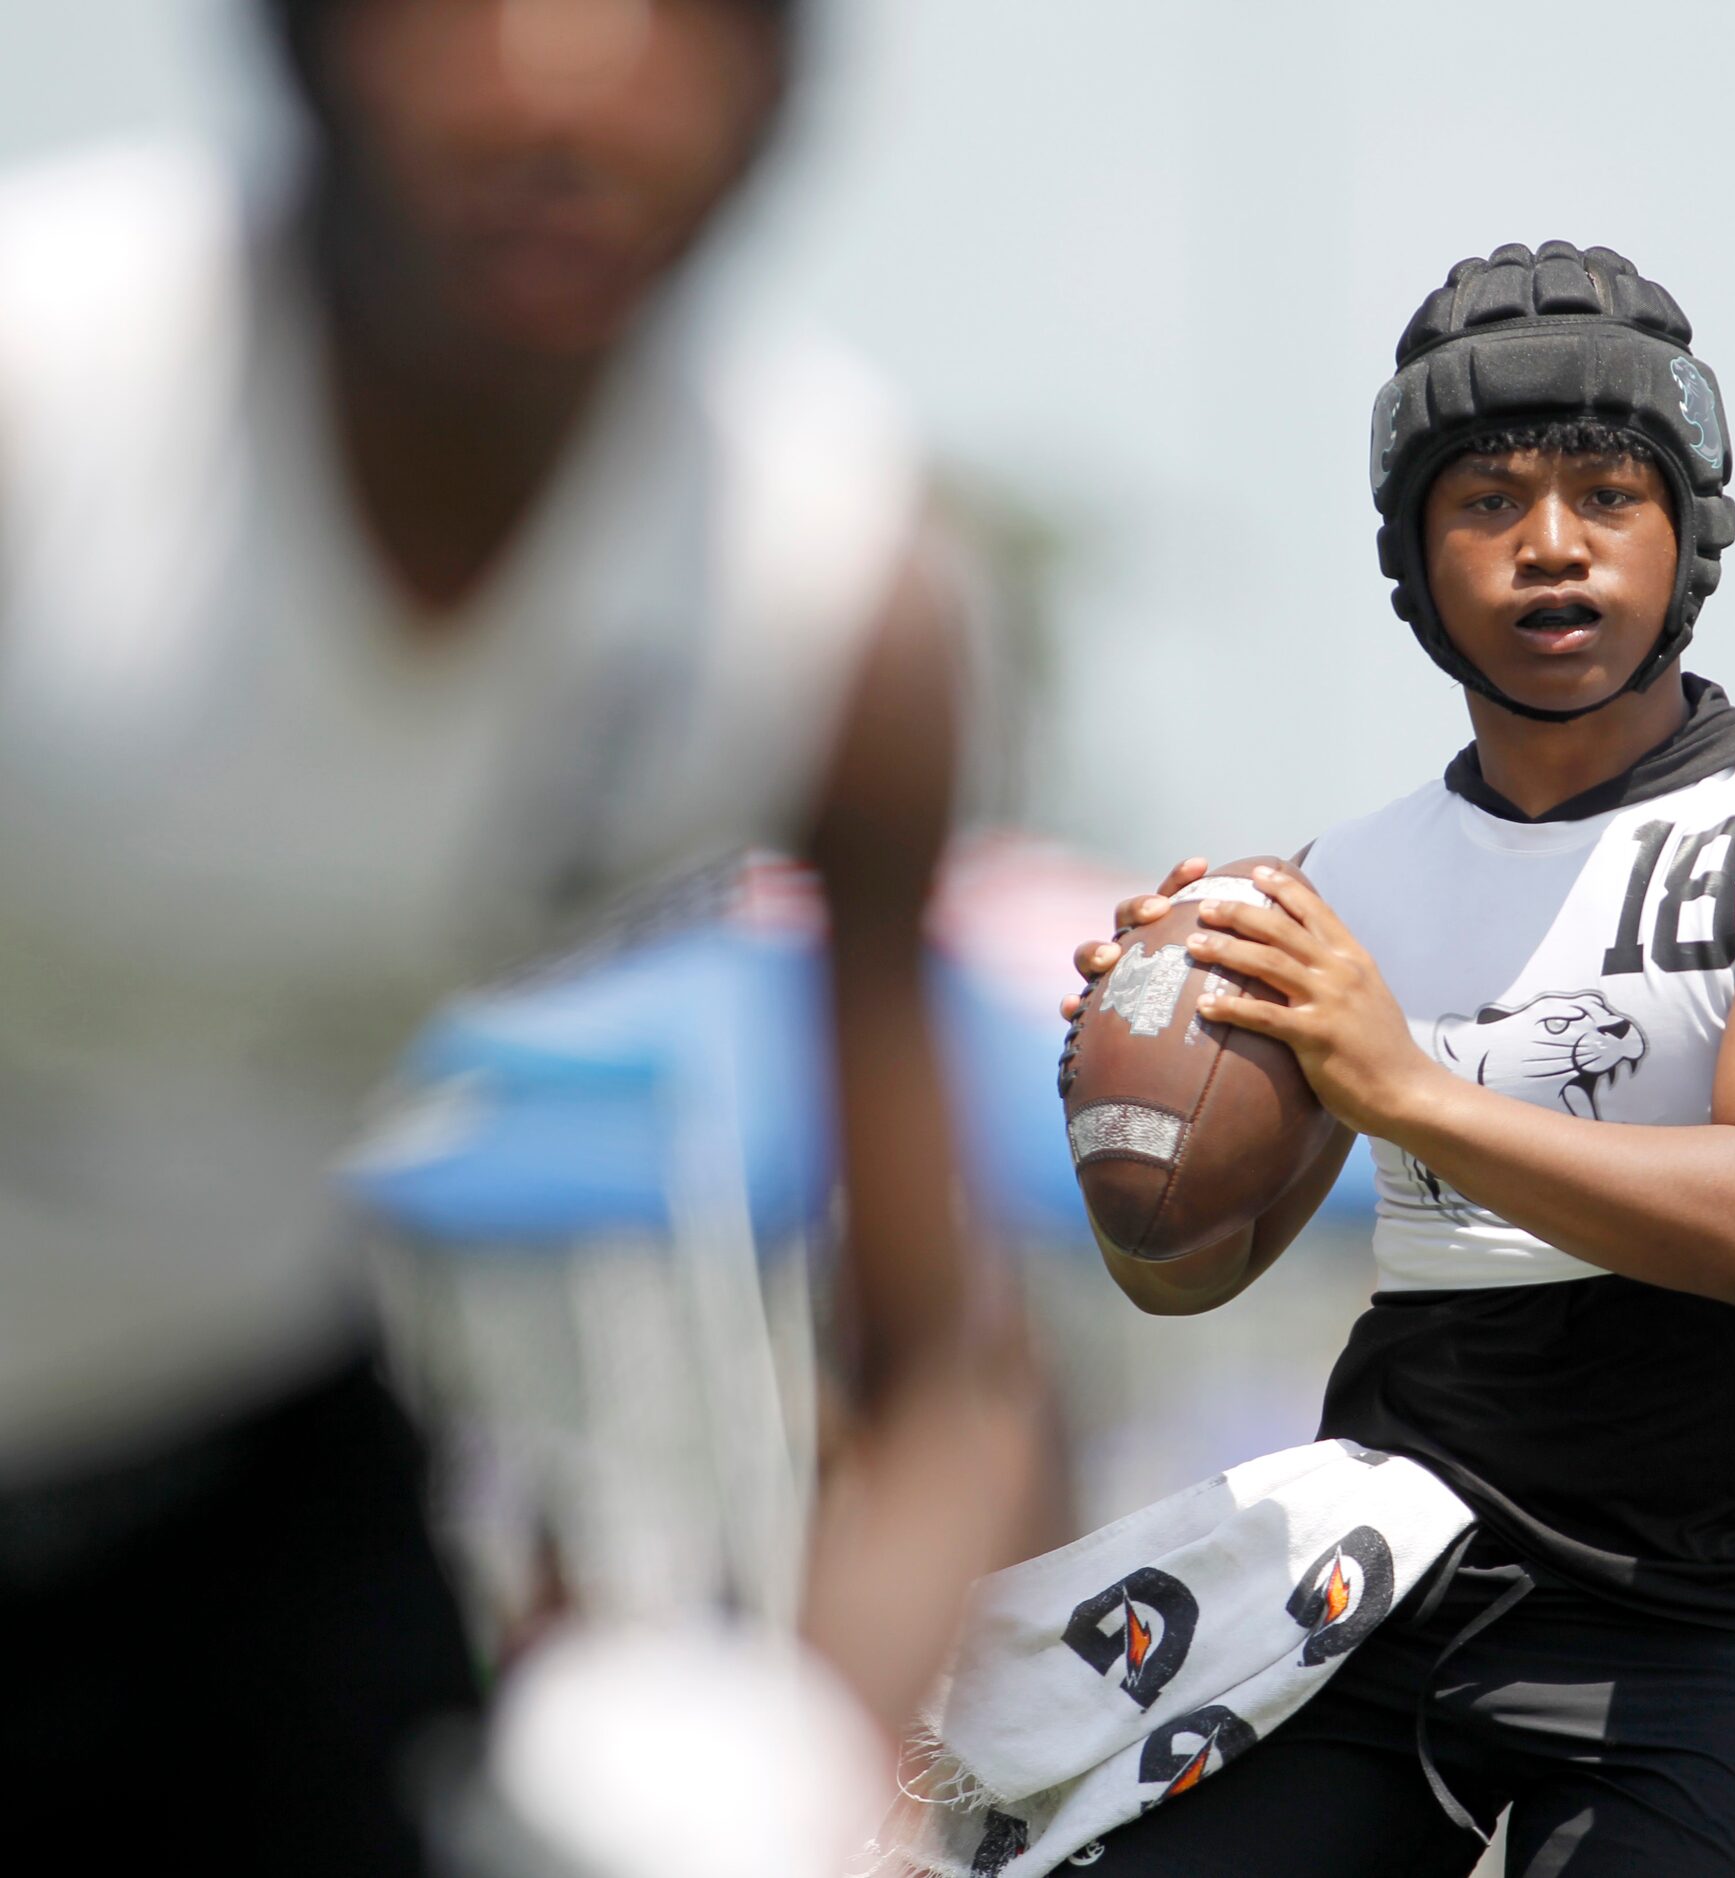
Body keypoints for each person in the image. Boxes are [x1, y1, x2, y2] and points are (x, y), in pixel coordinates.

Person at [0, 2, 1035, 1870]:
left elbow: (946, 1377)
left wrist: (817, 1764)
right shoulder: (47, 392)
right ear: (306, 45)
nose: (566, 85)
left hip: (231, 1489)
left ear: (788, 93)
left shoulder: (828, 609)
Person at [1044, 243, 1735, 1874]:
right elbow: (1186, 1279)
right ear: (1411, 555)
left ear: (1686, 534)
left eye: (1606, 493)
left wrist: (1409, 1090)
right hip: (1378, 1585)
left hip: (1695, 1619)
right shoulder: (1334, 884)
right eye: (1485, 502)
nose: (1548, 548)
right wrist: (1132, 1113)